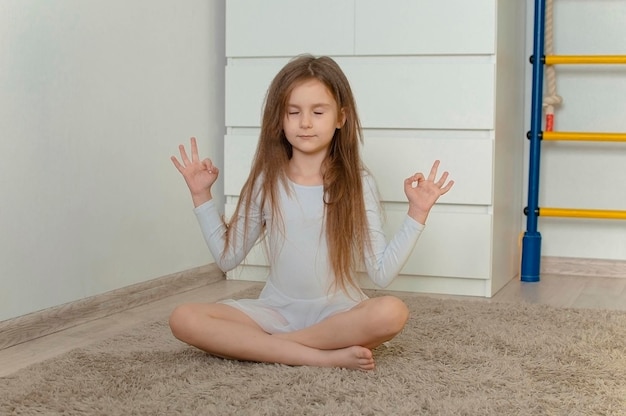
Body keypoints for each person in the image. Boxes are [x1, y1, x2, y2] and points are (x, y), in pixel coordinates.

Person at [169, 55, 454, 371]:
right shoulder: (266, 180)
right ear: (279, 119)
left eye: (318, 112)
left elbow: (381, 273)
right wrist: (201, 195)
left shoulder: (358, 182)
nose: (305, 122)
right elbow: (228, 257)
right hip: (275, 312)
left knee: (392, 312)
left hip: (337, 315)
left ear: (340, 118)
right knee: (183, 318)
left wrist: (417, 212)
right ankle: (320, 355)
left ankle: (270, 348)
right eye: (293, 112)